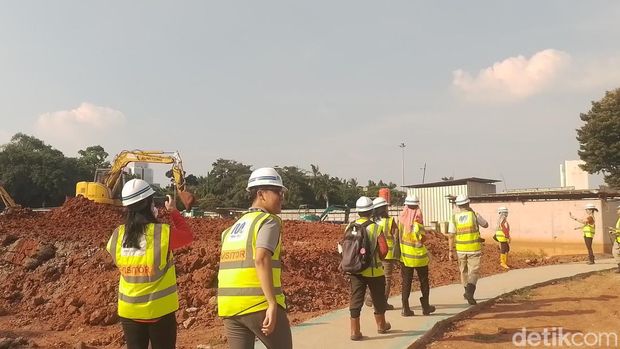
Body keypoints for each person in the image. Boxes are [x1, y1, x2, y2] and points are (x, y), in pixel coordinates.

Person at [106, 179, 193, 349]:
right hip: (159, 310)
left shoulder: (117, 235)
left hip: (129, 311)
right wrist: (173, 211)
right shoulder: (162, 233)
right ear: (148, 203)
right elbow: (187, 235)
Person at [217, 167, 292, 349]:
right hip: (258, 304)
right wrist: (272, 303)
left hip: (229, 307)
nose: (281, 196)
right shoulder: (268, 221)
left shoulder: (233, 228)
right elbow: (261, 258)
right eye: (277, 192)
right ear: (261, 194)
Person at [347, 196, 391, 341]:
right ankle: (381, 325)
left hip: (355, 270)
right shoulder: (376, 227)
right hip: (374, 271)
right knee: (378, 298)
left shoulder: (349, 226)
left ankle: (355, 331)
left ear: (358, 211)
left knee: (356, 298)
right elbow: (384, 250)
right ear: (371, 211)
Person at [394, 204, 436, 317]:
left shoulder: (401, 221)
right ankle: (426, 307)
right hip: (419, 257)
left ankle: (405, 308)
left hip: (406, 257)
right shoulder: (418, 222)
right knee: (424, 282)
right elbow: (423, 239)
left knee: (406, 282)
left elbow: (397, 238)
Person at [448, 194, 488, 305]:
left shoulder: (454, 218)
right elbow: (486, 225)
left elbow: (451, 235)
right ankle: (470, 293)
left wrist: (450, 251)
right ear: (468, 203)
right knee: (474, 271)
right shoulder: (474, 215)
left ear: (457, 205)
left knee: (463, 272)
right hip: (473, 248)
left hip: (460, 249)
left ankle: (466, 292)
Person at [369, 197, 398, 310]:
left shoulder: (373, 222)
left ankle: (371, 298)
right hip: (388, 253)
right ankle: (382, 303)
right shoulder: (390, 221)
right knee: (387, 279)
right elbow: (396, 236)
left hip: (375, 253)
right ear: (384, 208)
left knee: (375, 277)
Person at [608, 204, 620, 273]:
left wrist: (614, 233)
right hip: (618, 239)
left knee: (616, 253)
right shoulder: (619, 219)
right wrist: (613, 230)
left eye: (618, 209)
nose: (617, 211)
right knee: (615, 253)